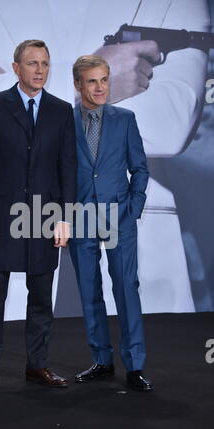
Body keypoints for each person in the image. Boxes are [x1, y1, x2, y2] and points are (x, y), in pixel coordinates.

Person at [0, 0, 210, 323]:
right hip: (11, 227)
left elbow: (172, 119)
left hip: (130, 239)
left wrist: (7, 83)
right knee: (4, 361)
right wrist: (90, 88)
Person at [0, 39, 76, 395]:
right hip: (0, 217)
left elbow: (67, 169)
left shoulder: (61, 111)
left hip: (45, 218)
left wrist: (66, 218)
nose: (40, 70)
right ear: (16, 68)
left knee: (41, 297)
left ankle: (37, 365)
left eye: (45, 63)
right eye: (32, 63)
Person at [70, 55, 152, 392]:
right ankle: (102, 360)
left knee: (125, 288)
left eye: (104, 79)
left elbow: (140, 168)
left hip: (120, 216)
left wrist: (134, 206)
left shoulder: (125, 119)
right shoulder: (65, 121)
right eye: (92, 81)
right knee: (89, 292)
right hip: (79, 217)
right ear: (78, 85)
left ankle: (134, 366)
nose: (100, 87)